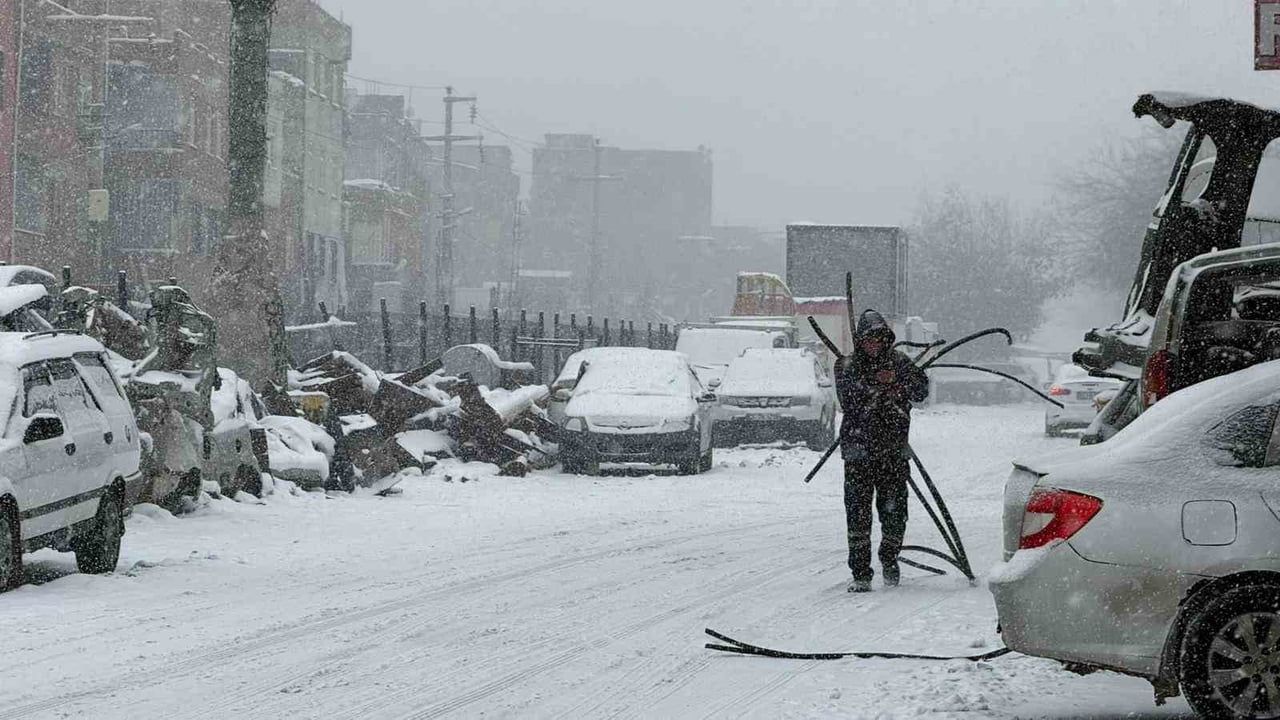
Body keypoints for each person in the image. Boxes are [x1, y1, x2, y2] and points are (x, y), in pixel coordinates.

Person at [835, 310, 929, 593]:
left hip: (892, 452)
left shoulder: (900, 362)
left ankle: (889, 557)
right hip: (858, 453)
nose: (873, 344)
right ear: (860, 341)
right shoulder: (846, 365)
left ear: (886, 339)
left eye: (878, 338)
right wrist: (878, 384)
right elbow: (849, 400)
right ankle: (861, 572)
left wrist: (898, 383)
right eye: (868, 339)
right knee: (858, 515)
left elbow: (921, 390)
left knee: (895, 513)